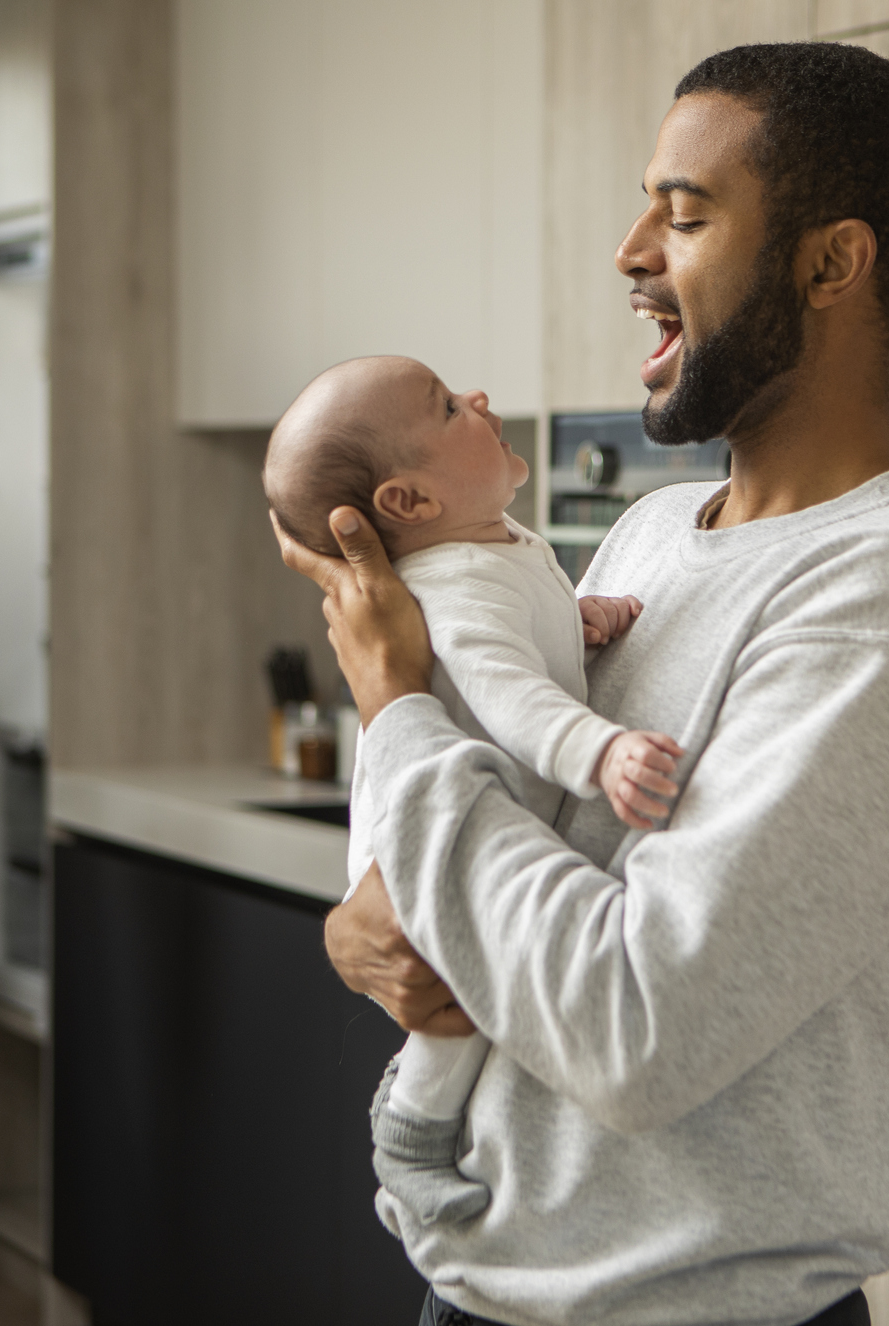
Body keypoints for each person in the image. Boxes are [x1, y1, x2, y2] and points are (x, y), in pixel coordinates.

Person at [277, 42, 889, 1326]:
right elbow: (498, 844)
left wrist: (394, 704)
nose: (633, 250)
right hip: (479, 1285)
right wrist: (362, 925)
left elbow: (634, 1028)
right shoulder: (645, 539)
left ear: (831, 262)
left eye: (682, 214)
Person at [264, 353, 681, 1227]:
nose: (480, 398)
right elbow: (507, 693)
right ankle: (410, 1132)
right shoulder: (451, 587)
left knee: (468, 980)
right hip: (422, 825)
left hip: (462, 812)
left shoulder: (492, 547)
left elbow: (530, 626)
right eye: (449, 406)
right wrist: (599, 752)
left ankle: (412, 1122)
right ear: (411, 504)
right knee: (456, 1003)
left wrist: (579, 616)